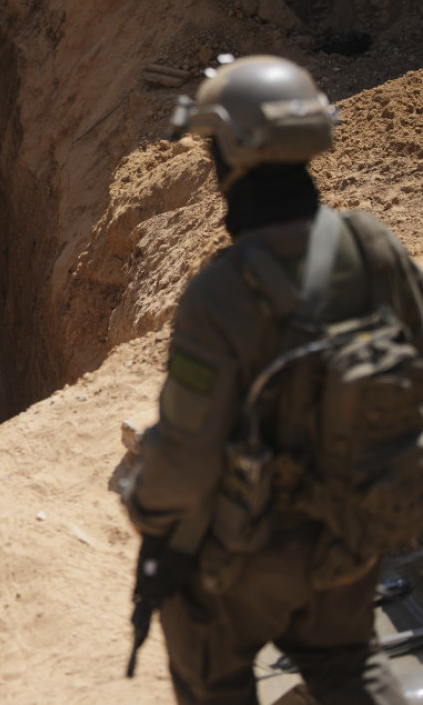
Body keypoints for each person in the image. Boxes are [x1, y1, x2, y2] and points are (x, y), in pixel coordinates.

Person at [121, 55, 423, 704]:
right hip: (353, 530)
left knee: (210, 676)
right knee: (348, 661)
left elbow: (188, 459)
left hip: (247, 557)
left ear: (233, 155)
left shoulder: (219, 293)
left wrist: (143, 505)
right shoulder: (374, 247)